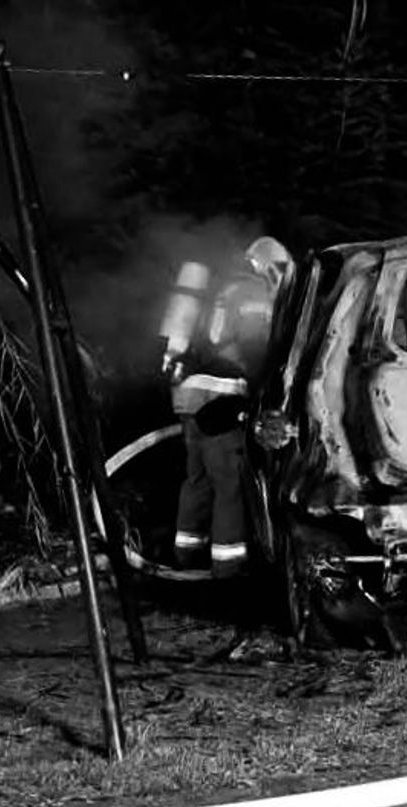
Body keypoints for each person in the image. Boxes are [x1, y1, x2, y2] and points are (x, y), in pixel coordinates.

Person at [160, 237, 292, 578]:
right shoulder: (249, 292)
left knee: (197, 481)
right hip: (220, 395)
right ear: (266, 266)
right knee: (229, 484)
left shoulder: (217, 289)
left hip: (188, 396)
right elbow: (254, 345)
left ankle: (186, 557)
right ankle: (229, 569)